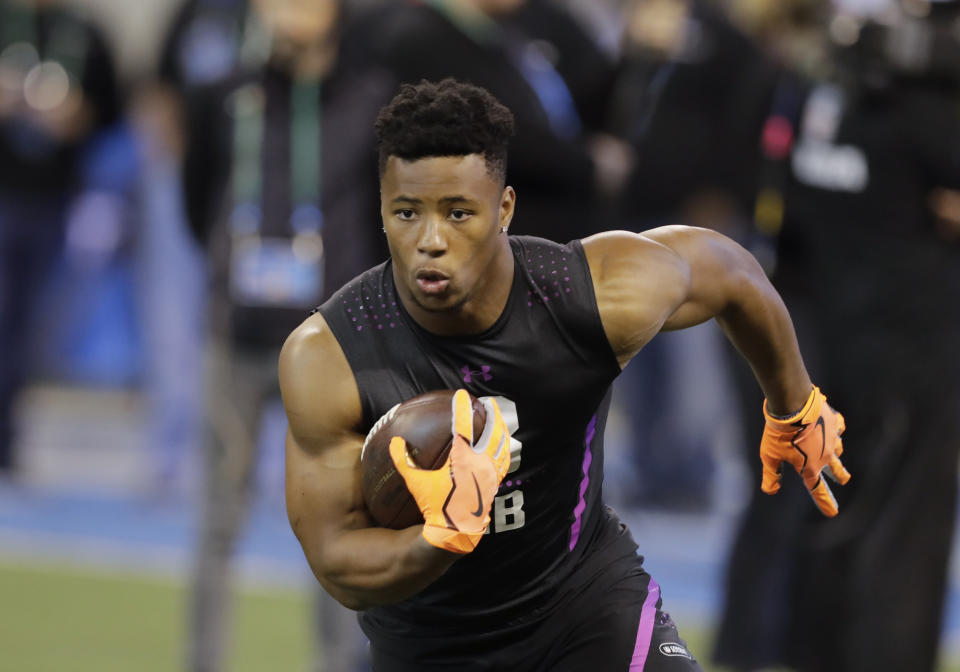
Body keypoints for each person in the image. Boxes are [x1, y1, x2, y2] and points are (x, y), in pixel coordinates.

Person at [278, 78, 850, 671]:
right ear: (381, 208)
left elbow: (731, 272)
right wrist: (440, 537)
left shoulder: (586, 297)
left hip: (585, 604)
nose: (430, 241)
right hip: (431, 646)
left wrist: (794, 404)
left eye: (458, 213)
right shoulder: (331, 355)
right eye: (406, 213)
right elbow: (337, 561)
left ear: (504, 208)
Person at [713, 3, 960, 669]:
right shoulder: (916, 106)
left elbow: (785, 200)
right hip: (910, 343)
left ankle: (802, 653)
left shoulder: (825, 83)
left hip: (832, 330)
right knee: (899, 530)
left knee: (831, 510)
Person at [180, 0, 392, 669]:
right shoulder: (224, 95)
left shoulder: (371, 101)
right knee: (218, 517)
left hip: (334, 344)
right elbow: (197, 199)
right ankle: (203, 659)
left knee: (339, 522)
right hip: (238, 331)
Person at [0, 0, 120, 476]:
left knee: (27, 328)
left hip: (55, 198)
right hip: (4, 192)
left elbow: (116, 109)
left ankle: (7, 441)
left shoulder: (86, 31)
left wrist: (79, 116)